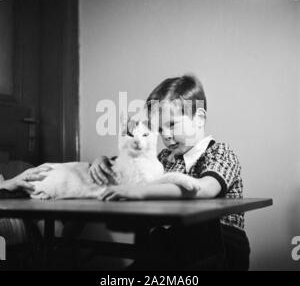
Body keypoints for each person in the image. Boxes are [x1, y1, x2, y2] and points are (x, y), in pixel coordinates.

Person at [89, 75, 250, 271]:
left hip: (221, 247)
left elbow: (205, 189)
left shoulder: (220, 152)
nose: (165, 135)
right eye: (159, 128)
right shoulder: (165, 158)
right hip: (172, 246)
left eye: (172, 124)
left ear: (199, 118)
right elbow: (137, 167)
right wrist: (103, 163)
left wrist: (140, 191)